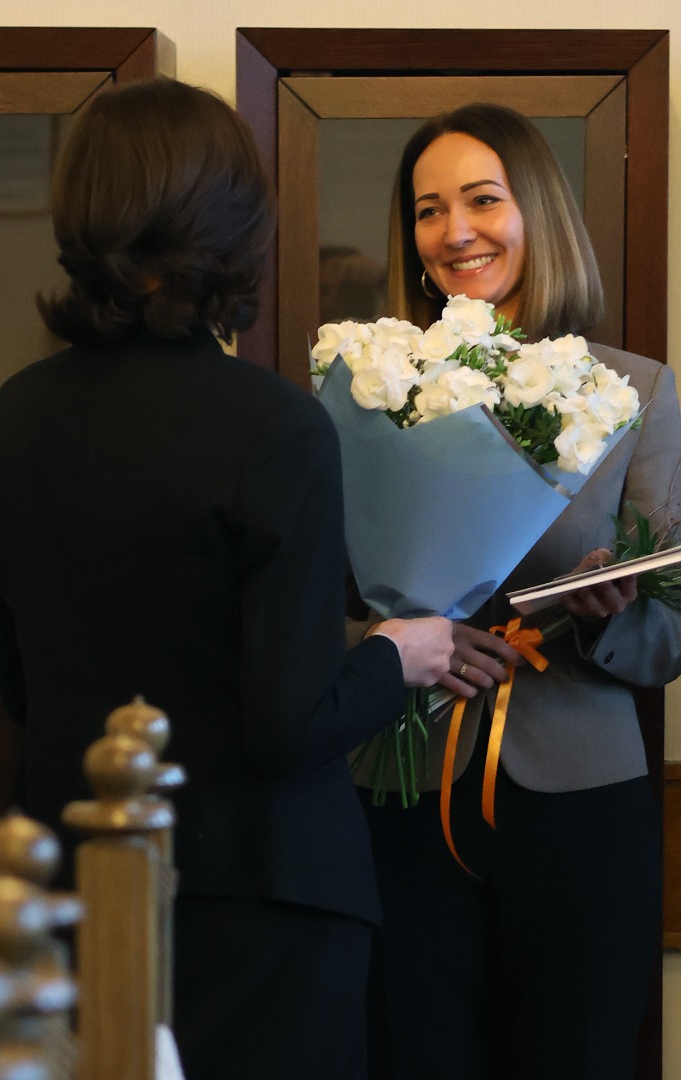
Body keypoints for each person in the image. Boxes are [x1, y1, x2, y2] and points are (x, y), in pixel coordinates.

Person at [0, 78, 489, 1080]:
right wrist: (399, 655)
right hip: (263, 901)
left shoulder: (21, 410)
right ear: (232, 226)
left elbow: (22, 681)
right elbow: (287, 725)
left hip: (76, 886)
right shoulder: (275, 425)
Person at [353, 103, 681, 1080]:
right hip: (402, 789)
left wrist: (614, 616)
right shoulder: (372, 393)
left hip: (581, 796)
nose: (455, 231)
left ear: (537, 211)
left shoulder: (638, 393)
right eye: (428, 210)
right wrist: (386, 641)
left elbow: (670, 641)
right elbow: (317, 599)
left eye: (483, 201)